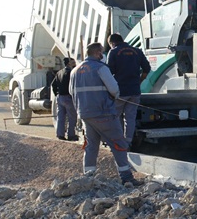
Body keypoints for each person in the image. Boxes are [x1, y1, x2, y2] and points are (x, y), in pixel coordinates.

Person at [70, 42, 142, 186]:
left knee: (91, 146)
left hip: (85, 114)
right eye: (101, 52)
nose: (103, 55)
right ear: (97, 53)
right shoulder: (101, 68)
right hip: (104, 113)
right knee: (119, 144)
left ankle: (89, 176)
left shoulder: (75, 71)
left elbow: (72, 93)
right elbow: (114, 90)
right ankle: (126, 177)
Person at [106, 33, 151, 143]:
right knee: (130, 118)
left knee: (115, 116)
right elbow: (147, 68)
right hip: (135, 91)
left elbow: (108, 73)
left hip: (120, 91)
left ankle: (117, 141)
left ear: (112, 43)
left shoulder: (113, 52)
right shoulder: (137, 51)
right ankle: (128, 142)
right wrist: (139, 81)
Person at [50, 57, 79, 141]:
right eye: (73, 62)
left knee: (61, 117)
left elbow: (53, 85)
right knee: (72, 117)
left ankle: (60, 134)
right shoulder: (71, 73)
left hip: (60, 97)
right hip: (68, 97)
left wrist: (57, 94)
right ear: (69, 63)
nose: (75, 64)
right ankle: (71, 135)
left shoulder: (59, 72)